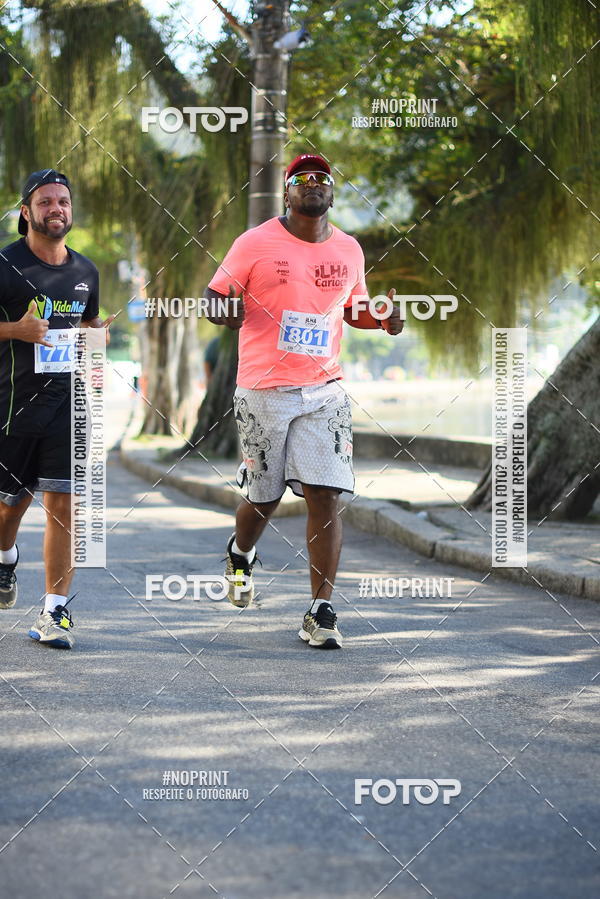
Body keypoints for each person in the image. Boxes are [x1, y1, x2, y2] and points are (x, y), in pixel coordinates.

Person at [205, 153, 403, 649]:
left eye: (322, 180)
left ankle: (321, 610)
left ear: (331, 195)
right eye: (302, 179)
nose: (313, 185)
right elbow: (213, 297)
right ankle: (240, 551)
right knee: (264, 496)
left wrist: (384, 320)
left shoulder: (350, 250)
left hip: (325, 390)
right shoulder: (254, 242)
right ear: (287, 194)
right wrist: (225, 313)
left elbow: (355, 310)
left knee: (325, 494)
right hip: (263, 389)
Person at [0, 169, 113, 648]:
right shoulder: (4, 265)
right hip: (11, 407)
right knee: (9, 507)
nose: (56, 209)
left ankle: (55, 611)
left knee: (64, 507)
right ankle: (6, 556)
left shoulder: (86, 271)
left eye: (63, 201)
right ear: (26, 211)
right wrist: (15, 332)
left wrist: (97, 338)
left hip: (68, 409)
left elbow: (88, 328)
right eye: (45, 202)